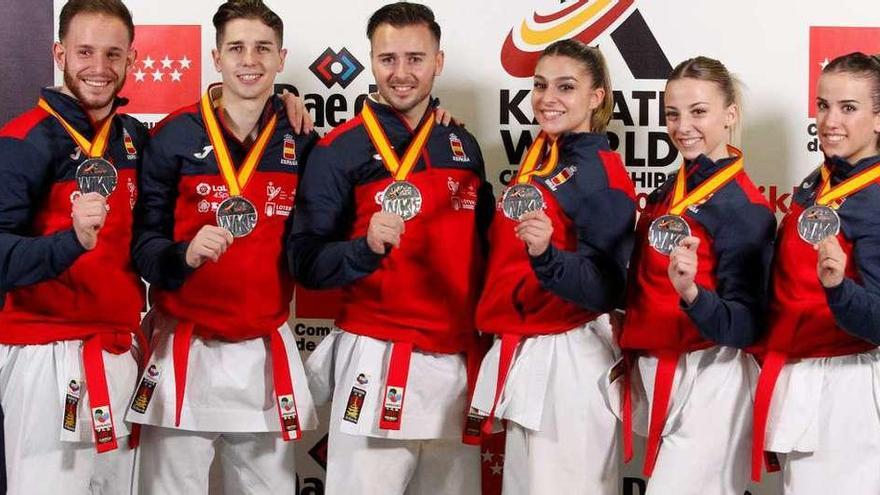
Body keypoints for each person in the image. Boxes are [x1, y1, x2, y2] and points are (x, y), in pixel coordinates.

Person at [288, 2, 494, 494]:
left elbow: (484, 252)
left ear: (438, 62)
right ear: (371, 61)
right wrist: (363, 248)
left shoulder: (462, 145)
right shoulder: (339, 148)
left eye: (416, 59)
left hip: (456, 363)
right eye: (387, 59)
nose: (401, 74)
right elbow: (307, 264)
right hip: (377, 361)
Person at [127, 1, 319, 492]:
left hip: (264, 352)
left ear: (281, 57)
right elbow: (143, 245)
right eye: (236, 48)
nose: (249, 59)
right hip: (183, 350)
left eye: (263, 48)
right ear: (216, 57)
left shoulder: (302, 139)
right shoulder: (172, 136)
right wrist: (182, 255)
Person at [468, 39, 635, 494]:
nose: (548, 98)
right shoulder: (543, 154)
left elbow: (608, 287)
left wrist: (547, 257)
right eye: (540, 85)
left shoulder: (601, 171)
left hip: (571, 364)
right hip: (533, 354)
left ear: (596, 96)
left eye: (566, 87)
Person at [0, 0, 145, 492]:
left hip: (119, 350)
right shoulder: (22, 140)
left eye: (112, 53)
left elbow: (208, 133)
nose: (99, 68)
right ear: (59, 53)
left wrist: (284, 100)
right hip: (46, 355)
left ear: (132, 60)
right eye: (85, 51)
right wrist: (71, 242)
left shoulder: (135, 140)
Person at [616, 56, 776, 494]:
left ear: (730, 115)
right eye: (673, 114)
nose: (683, 126)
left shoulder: (745, 209)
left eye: (699, 112)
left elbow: (746, 325)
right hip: (662, 367)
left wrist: (691, 293)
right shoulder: (672, 190)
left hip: (713, 378)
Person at [751, 52, 880, 494]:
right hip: (805, 377)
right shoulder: (819, 180)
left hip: (850, 390)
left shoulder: (876, 197)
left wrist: (839, 288)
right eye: (823, 106)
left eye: (848, 108)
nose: (829, 120)